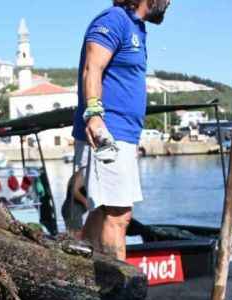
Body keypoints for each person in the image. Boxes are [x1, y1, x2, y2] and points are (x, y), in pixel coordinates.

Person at [68, 0, 172, 260]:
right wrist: (94, 116)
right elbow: (93, 66)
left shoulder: (136, 28)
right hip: (108, 131)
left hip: (122, 133)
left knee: (103, 211)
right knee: (119, 216)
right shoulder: (114, 19)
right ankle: (122, 290)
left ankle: (80, 268)